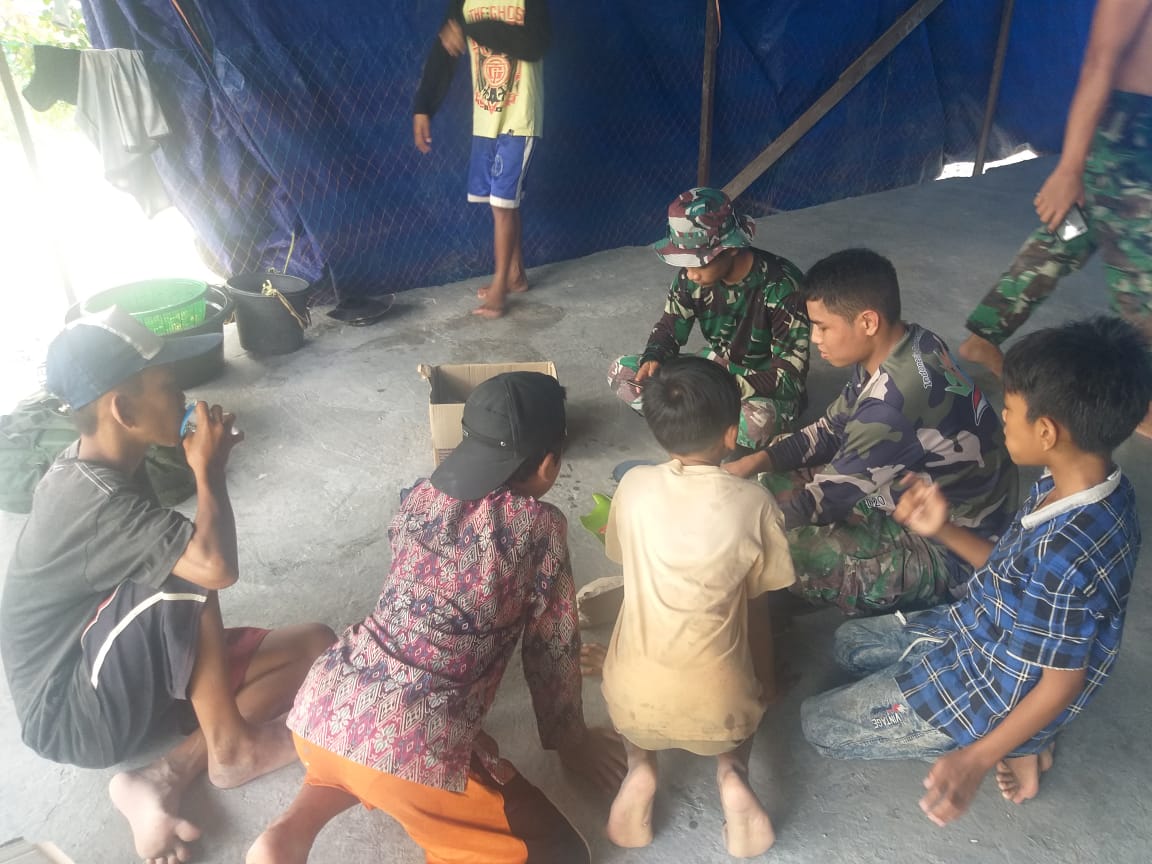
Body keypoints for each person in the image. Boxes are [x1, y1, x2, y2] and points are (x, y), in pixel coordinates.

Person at [0, 307, 335, 864]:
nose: (184, 396)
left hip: (120, 665)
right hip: (72, 709)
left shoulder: (115, 463)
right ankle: (231, 748)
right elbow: (215, 566)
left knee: (316, 645)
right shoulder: (92, 497)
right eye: (167, 386)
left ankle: (164, 773)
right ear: (124, 410)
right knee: (185, 565)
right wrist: (209, 472)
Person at [247, 372, 625, 864]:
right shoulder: (539, 525)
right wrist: (571, 741)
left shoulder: (419, 496)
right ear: (550, 464)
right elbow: (551, 646)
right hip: (409, 738)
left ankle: (289, 832)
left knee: (361, 758)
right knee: (563, 854)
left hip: (324, 706)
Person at [801, 316, 1152, 826]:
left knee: (819, 725)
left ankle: (1018, 742)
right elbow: (1009, 570)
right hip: (974, 627)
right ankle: (1023, 741)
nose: (1000, 415)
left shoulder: (1068, 554)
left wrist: (975, 760)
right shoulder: (1083, 484)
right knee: (848, 644)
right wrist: (941, 529)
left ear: (1047, 432)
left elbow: (1061, 684)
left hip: (985, 689)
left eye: (1009, 408)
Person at [726, 249, 1018, 616]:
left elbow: (822, 501)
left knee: (786, 550)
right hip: (906, 492)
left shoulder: (892, 404)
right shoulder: (910, 342)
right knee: (767, 475)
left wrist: (731, 530)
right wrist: (751, 462)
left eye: (823, 327)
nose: (815, 338)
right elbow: (831, 430)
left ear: (867, 322)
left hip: (948, 548)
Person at [600, 357, 795, 858]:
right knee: (740, 676)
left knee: (634, 612)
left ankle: (640, 767)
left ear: (658, 431)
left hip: (632, 704)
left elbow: (622, 557)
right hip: (722, 709)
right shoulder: (754, 503)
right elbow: (759, 607)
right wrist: (766, 681)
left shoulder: (632, 486)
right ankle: (733, 773)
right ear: (732, 434)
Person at [959, 0, 1152, 437]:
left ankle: (983, 335)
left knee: (1067, 236)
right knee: (1142, 272)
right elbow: (1100, 62)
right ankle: (1142, 400)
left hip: (1132, 137)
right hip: (1127, 136)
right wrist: (1069, 168)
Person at [608, 187, 810, 450]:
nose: (691, 273)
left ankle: (687, 421)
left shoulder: (783, 287)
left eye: (700, 262)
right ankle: (705, 425)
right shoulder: (690, 278)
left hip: (761, 388)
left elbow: (790, 378)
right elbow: (669, 328)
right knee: (622, 372)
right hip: (714, 367)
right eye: (685, 261)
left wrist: (713, 389)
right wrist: (653, 357)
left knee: (754, 424)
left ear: (731, 248)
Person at [413, 0, 550, 318]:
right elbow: (444, 51)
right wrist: (423, 106)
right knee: (502, 201)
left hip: (520, 117)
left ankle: (500, 287)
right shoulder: (464, 3)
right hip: (487, 118)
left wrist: (470, 28)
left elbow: (535, 44)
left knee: (502, 205)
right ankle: (515, 275)